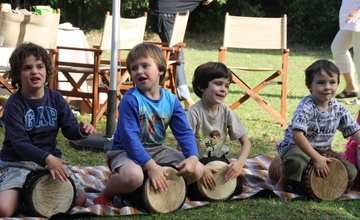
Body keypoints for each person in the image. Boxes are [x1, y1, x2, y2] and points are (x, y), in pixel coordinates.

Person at [95, 43, 203, 205]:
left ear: (160, 69)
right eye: (134, 68)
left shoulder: (171, 100)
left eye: (145, 65)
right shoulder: (130, 100)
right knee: (133, 177)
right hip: (124, 151)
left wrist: (193, 157)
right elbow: (129, 138)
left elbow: (184, 132)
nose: (139, 71)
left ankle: (159, 191)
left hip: (156, 149)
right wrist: (151, 166)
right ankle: (109, 191)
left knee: (197, 169)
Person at [0, 43, 96, 217]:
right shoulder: (14, 104)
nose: (35, 72)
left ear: (46, 70)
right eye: (27, 68)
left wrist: (81, 130)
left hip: (49, 162)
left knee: (80, 199)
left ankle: (34, 196)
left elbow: (70, 130)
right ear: (17, 74)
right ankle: (26, 197)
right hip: (17, 163)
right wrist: (47, 158)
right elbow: (19, 144)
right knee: (4, 209)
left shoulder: (56, 99)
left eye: (39, 66)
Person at [276, 59, 360, 193]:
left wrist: (321, 157)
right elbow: (297, 136)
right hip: (298, 147)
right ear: (309, 86)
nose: (327, 87)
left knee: (351, 171)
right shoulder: (306, 107)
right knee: (296, 162)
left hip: (323, 150)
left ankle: (322, 188)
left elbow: (354, 131)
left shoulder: (338, 109)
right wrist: (316, 158)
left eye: (332, 82)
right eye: (321, 82)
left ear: (338, 84)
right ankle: (282, 183)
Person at [187, 62, 251, 190]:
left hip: (218, 161)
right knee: (197, 189)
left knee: (238, 186)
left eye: (227, 86)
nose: (223, 89)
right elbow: (183, 148)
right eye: (218, 84)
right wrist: (200, 168)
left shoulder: (226, 111)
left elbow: (246, 143)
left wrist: (239, 163)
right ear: (201, 86)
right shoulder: (193, 113)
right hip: (197, 162)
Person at [149, 0, 214, 108]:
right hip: (166, 13)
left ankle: (180, 94)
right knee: (176, 54)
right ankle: (184, 96)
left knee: (177, 53)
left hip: (168, 13)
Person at [331, 0, 360, 99]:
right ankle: (351, 87)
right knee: (338, 48)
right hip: (350, 22)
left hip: (357, 19)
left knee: (359, 58)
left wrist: (357, 12)